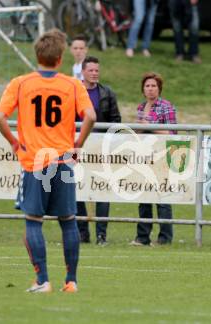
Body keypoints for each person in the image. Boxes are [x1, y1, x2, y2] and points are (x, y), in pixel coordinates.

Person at [0, 29, 96, 292]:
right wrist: (78, 144)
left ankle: (42, 280)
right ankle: (71, 281)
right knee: (68, 220)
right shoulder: (72, 84)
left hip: (35, 163)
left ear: (37, 55)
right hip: (63, 161)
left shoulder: (21, 83)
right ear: (61, 58)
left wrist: (15, 143)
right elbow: (91, 117)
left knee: (33, 220)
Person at [76, 56, 122, 245]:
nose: (94, 73)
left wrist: (109, 140)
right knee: (77, 191)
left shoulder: (107, 93)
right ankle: (82, 233)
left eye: (97, 70)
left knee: (103, 191)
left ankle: (101, 234)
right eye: (91, 70)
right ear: (83, 72)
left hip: (101, 151)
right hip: (78, 148)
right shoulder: (74, 91)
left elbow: (116, 120)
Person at [129, 72, 177, 246]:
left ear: (159, 88)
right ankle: (143, 237)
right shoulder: (141, 108)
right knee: (144, 197)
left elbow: (173, 133)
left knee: (163, 198)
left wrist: (152, 127)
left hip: (162, 157)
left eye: (153, 86)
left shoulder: (166, 106)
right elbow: (138, 133)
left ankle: (165, 237)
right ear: (143, 89)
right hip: (144, 157)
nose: (150, 89)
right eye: (147, 86)